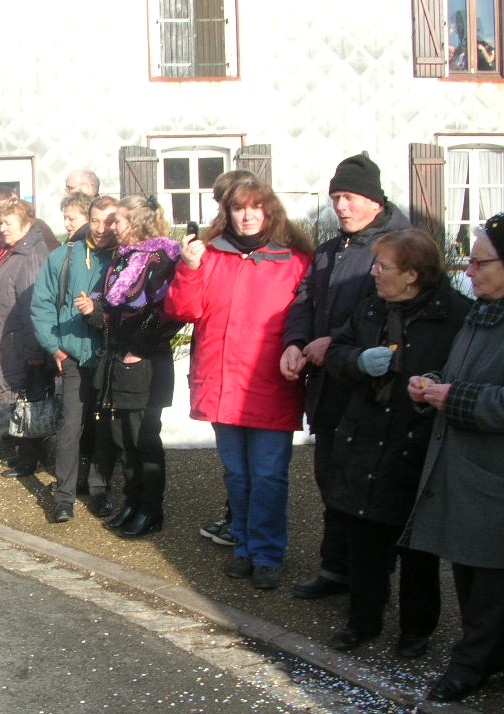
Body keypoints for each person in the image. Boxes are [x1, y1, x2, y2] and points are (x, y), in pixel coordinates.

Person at [404, 213, 504, 702]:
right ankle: (499, 655)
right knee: (468, 569)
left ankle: (469, 666)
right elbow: (460, 372)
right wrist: (430, 383)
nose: (469, 271)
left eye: (480, 262)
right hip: (466, 469)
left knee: (489, 577)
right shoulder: (485, 312)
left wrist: (453, 397)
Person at [322, 229, 469, 650]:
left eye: (383, 266)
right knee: (364, 537)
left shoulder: (456, 315)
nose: (373, 273)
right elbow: (336, 351)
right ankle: (362, 620)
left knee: (417, 545)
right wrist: (357, 361)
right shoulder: (371, 309)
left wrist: (435, 388)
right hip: (365, 435)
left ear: (412, 275)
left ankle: (416, 630)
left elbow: (464, 372)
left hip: (416, 440)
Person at [165, 178, 312, 588]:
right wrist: (190, 268)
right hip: (223, 380)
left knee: (268, 476)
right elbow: (184, 310)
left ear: (269, 211)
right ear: (226, 213)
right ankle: (245, 546)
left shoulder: (296, 262)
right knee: (238, 476)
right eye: (238, 208)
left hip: (269, 383)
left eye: (255, 207)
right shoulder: (210, 257)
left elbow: (305, 317)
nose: (247, 216)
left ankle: (267, 554)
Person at [280, 154, 411, 600]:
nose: (340, 205)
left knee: (366, 487)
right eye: (336, 197)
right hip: (327, 388)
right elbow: (304, 299)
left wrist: (331, 343)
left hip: (370, 392)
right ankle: (336, 568)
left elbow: (386, 317)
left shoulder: (398, 248)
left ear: (373, 200)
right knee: (331, 480)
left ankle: (368, 577)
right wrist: (296, 341)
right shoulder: (329, 250)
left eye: (349, 196)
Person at [75, 194, 182, 538]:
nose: (110, 227)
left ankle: (151, 510)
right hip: (117, 359)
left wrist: (139, 347)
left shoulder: (161, 259)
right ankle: (132, 503)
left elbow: (168, 312)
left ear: (135, 222)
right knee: (122, 437)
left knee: (143, 438)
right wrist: (96, 312)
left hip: (144, 363)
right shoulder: (123, 259)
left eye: (116, 220)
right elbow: (115, 310)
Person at [31, 193, 116, 522]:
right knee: (70, 427)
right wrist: (54, 346)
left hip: (109, 357)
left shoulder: (125, 259)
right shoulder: (64, 256)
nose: (100, 228)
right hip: (72, 356)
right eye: (94, 220)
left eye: (108, 221)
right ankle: (64, 495)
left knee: (106, 426)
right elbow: (41, 305)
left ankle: (99, 488)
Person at [0, 198, 52, 479]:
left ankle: (31, 458)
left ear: (27, 224)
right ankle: (25, 454)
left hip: (21, 341)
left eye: (8, 223)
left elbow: (31, 306)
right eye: (0, 222)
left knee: (28, 399)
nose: (1, 228)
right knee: (19, 399)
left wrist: (33, 350)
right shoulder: (12, 251)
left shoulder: (29, 257)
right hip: (10, 338)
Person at [196, 169, 258, 548]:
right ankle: (237, 520)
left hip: (253, 367)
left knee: (259, 468)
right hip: (222, 369)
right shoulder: (213, 249)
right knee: (237, 465)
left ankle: (247, 527)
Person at [0, 187, 61, 251]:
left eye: (15, 203)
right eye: (4, 207)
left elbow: (55, 255)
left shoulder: (38, 226)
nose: (10, 209)